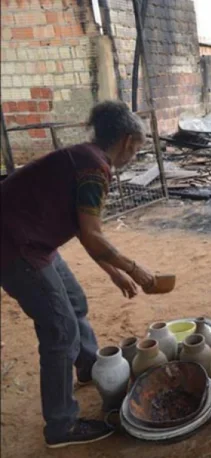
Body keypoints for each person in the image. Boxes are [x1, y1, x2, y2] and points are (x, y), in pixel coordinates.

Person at [0, 101, 157, 448]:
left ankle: (89, 366)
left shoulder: (86, 157)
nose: (136, 154)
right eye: (139, 147)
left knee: (74, 300)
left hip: (34, 240)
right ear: (128, 139)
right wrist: (132, 268)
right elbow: (92, 234)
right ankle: (61, 426)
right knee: (59, 327)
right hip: (14, 244)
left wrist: (112, 272)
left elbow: (84, 230)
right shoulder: (94, 167)